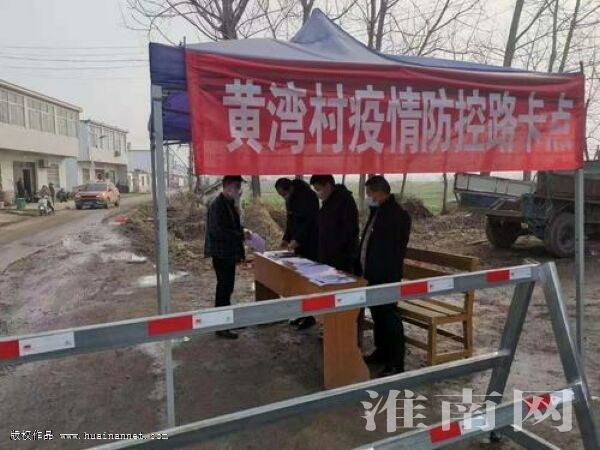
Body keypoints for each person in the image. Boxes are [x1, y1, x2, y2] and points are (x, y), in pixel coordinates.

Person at [358, 176, 411, 377]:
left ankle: (396, 363)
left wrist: (378, 272)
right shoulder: (379, 212)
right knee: (378, 315)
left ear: (379, 192)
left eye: (370, 194)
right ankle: (382, 352)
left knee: (389, 317)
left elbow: (390, 251)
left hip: (385, 275)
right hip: (373, 274)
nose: (368, 198)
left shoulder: (396, 215)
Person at [204, 175, 250, 339]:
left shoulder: (229, 203)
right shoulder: (217, 205)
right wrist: (240, 235)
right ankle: (221, 326)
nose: (239, 191)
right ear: (229, 187)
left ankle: (226, 320)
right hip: (221, 253)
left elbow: (232, 226)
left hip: (228, 252)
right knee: (223, 288)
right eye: (238, 187)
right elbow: (218, 232)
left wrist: (243, 231)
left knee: (227, 288)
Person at [275, 177, 320, 329]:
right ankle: (302, 312)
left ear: (289, 189)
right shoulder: (291, 199)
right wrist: (286, 238)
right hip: (298, 245)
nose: (283, 198)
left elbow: (309, 222)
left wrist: (297, 239)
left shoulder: (308, 196)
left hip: (311, 245)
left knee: (308, 281)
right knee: (298, 280)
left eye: (283, 194)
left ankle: (310, 316)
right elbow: (290, 221)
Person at [309, 174, 359, 273]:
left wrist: (337, 248)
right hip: (326, 254)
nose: (318, 193)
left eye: (318, 189)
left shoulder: (345, 201)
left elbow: (349, 230)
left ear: (328, 186)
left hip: (340, 257)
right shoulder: (327, 201)